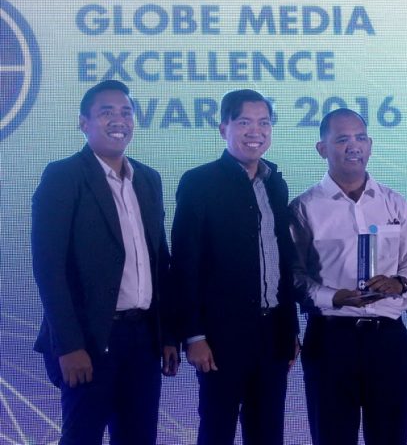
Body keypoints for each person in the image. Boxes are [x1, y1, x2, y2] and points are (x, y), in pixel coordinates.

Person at [32, 79, 179, 445]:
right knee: (82, 437)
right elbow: (48, 268)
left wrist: (167, 335)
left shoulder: (148, 178)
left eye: (126, 112)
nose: (119, 120)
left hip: (143, 338)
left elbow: (159, 262)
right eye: (106, 112)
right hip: (90, 340)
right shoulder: (63, 177)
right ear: (84, 122)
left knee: (139, 437)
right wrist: (68, 345)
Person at [170, 89, 299, 445]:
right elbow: (185, 263)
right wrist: (194, 336)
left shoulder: (276, 183)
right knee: (217, 431)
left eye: (264, 123)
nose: (255, 131)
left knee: (268, 432)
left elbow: (281, 260)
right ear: (223, 127)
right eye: (244, 122)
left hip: (272, 333)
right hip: (221, 335)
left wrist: (290, 330)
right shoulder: (199, 183)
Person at [289, 108, 407, 445]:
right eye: (342, 139)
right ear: (322, 149)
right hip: (331, 338)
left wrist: (400, 284)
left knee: (390, 437)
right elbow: (294, 275)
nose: (354, 146)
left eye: (360, 138)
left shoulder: (395, 202)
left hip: (387, 338)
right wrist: (332, 296)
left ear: (370, 145)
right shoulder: (304, 207)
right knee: (332, 436)